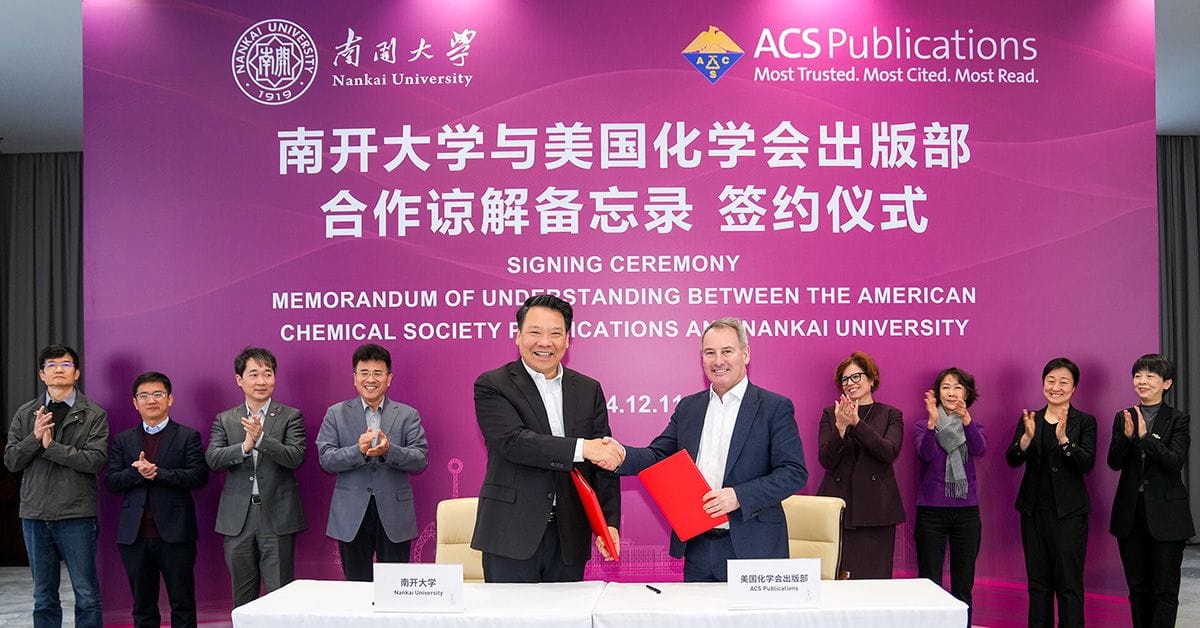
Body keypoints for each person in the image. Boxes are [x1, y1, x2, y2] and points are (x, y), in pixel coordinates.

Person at [606, 317, 807, 582]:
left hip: (754, 547)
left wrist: (738, 496)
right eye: (710, 353)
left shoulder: (774, 407)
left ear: (745, 354)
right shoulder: (689, 407)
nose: (718, 361)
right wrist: (621, 455)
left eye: (727, 351)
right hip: (698, 547)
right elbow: (658, 456)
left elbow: (793, 473)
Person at [471, 294, 623, 583]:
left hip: (569, 536)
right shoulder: (493, 384)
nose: (545, 342)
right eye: (535, 332)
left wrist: (608, 524)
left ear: (567, 340)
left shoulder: (588, 389)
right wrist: (583, 448)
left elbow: (602, 461)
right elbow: (514, 442)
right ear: (518, 336)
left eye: (555, 333)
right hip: (510, 534)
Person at [4, 344, 108, 628]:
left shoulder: (93, 414)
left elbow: (95, 461)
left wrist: (51, 447)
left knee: (86, 594)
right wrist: (34, 438)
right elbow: (11, 461)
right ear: (42, 374)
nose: (58, 369)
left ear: (76, 373)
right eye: (51, 365)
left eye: (65, 364)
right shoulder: (26, 413)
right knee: (43, 597)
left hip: (77, 514)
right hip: (35, 515)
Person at [317, 343, 429, 581]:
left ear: (389, 378)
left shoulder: (408, 415)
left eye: (378, 373)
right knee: (356, 589)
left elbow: (420, 459)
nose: (370, 379)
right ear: (354, 378)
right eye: (364, 373)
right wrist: (358, 451)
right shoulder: (336, 413)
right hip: (351, 514)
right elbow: (326, 459)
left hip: (394, 514)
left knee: (395, 588)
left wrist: (389, 450)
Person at [105, 372, 208, 628]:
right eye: (144, 395)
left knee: (183, 604)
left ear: (170, 399)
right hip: (134, 537)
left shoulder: (187, 436)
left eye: (158, 394)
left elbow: (198, 476)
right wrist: (138, 473)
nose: (151, 400)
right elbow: (111, 481)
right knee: (142, 608)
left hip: (177, 536)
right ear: (135, 402)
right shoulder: (123, 439)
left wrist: (158, 473)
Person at [206, 347, 307, 606]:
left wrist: (261, 440)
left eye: (267, 374)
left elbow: (295, 457)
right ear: (239, 380)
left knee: (279, 597)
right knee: (243, 599)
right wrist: (244, 447)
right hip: (237, 519)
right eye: (254, 374)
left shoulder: (290, 416)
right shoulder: (225, 419)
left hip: (277, 517)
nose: (261, 381)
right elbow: (213, 459)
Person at [1005, 357, 1096, 628]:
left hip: (1069, 514)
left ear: (1074, 387)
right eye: (1051, 381)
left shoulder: (1085, 421)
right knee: (1038, 585)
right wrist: (1026, 439)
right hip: (1033, 512)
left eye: (1063, 382)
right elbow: (1012, 459)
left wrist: (1065, 441)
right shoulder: (1029, 419)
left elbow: (1087, 463)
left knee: (1069, 584)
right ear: (1043, 383)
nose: (1056, 387)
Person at [1107, 354, 1193, 627]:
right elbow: (1114, 462)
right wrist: (1128, 438)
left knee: (1164, 591)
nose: (1141, 381)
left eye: (1149, 376)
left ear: (1166, 383)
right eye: (1138, 375)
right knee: (1138, 588)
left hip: (1167, 515)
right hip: (1130, 514)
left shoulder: (1178, 419)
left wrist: (1145, 438)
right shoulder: (1124, 417)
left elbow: (1174, 462)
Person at [816, 350, 905, 579]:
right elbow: (826, 460)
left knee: (875, 578)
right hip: (839, 508)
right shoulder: (830, 414)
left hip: (876, 510)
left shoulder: (891, 414)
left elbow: (888, 452)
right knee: (837, 578)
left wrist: (856, 423)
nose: (850, 383)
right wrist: (841, 429)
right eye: (845, 379)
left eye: (856, 376)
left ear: (871, 379)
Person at [913, 367, 986, 619]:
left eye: (957, 387)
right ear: (937, 393)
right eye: (946, 387)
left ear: (967, 393)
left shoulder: (973, 426)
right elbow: (925, 454)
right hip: (931, 513)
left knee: (963, 584)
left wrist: (966, 420)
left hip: (966, 513)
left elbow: (979, 449)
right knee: (929, 582)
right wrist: (932, 422)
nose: (951, 392)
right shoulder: (923, 426)